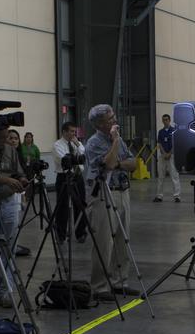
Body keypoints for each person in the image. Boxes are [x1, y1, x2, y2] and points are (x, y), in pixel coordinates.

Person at [84, 104, 138, 300]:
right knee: (104, 242)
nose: (115, 121)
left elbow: (133, 163)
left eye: (114, 116)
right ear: (99, 124)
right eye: (109, 119)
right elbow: (108, 163)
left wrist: (118, 163)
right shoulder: (94, 143)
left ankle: (119, 281)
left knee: (122, 240)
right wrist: (115, 143)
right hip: (103, 195)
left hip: (123, 192)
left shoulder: (120, 141)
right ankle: (99, 286)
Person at [0, 124, 29, 308]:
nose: (4, 141)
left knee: (9, 248)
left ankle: (5, 290)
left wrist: (22, 180)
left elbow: (18, 172)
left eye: (5, 136)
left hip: (9, 201)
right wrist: (4, 180)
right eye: (0, 137)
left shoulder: (10, 150)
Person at [53, 121, 87, 243]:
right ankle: (61, 235)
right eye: (71, 131)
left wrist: (78, 144)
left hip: (77, 176)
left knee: (80, 204)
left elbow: (83, 154)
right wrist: (75, 158)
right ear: (64, 131)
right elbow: (65, 160)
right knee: (62, 207)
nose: (73, 133)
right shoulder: (57, 145)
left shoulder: (75, 143)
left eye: (74, 131)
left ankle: (80, 233)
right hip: (64, 177)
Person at [153, 113, 181, 203]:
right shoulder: (160, 132)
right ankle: (159, 196)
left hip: (172, 156)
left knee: (174, 176)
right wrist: (164, 153)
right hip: (162, 156)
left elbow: (176, 144)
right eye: (163, 120)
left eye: (166, 119)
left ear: (169, 120)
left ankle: (177, 196)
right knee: (161, 176)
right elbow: (160, 144)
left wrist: (169, 153)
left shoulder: (174, 131)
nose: (165, 121)